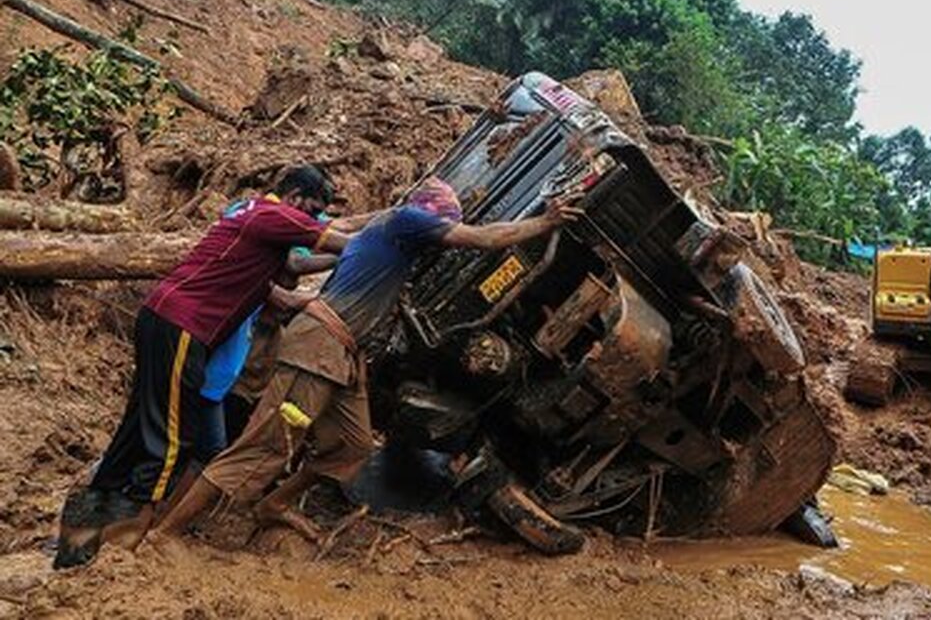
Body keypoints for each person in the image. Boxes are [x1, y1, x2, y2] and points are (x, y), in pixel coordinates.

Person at [150, 177, 581, 542]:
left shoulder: (387, 232)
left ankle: (273, 505)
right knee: (263, 448)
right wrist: (546, 221)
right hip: (319, 349)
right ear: (429, 217)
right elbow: (483, 239)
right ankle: (164, 535)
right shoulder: (406, 221)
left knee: (352, 446)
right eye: (443, 225)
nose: (443, 234)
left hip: (342, 353)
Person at [54, 165, 353, 569]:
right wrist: (396, 236)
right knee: (172, 438)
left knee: (139, 424)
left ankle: (81, 535)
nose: (312, 220)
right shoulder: (273, 214)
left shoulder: (248, 223)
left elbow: (278, 286)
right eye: (312, 211)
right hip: (184, 326)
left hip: (163, 317)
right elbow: (343, 243)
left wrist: (304, 300)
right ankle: (127, 544)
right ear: (297, 198)